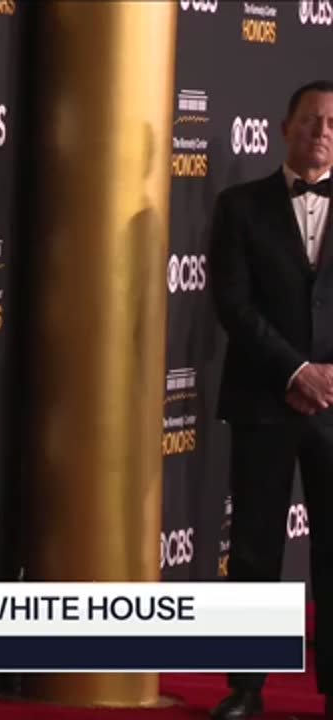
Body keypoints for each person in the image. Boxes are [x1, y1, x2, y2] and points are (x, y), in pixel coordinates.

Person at [209, 79, 333, 720]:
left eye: (332, 123)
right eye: (311, 120)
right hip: (264, 398)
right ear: (285, 127)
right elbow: (233, 303)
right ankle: (246, 687)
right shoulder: (239, 206)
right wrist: (296, 371)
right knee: (255, 546)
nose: (321, 132)